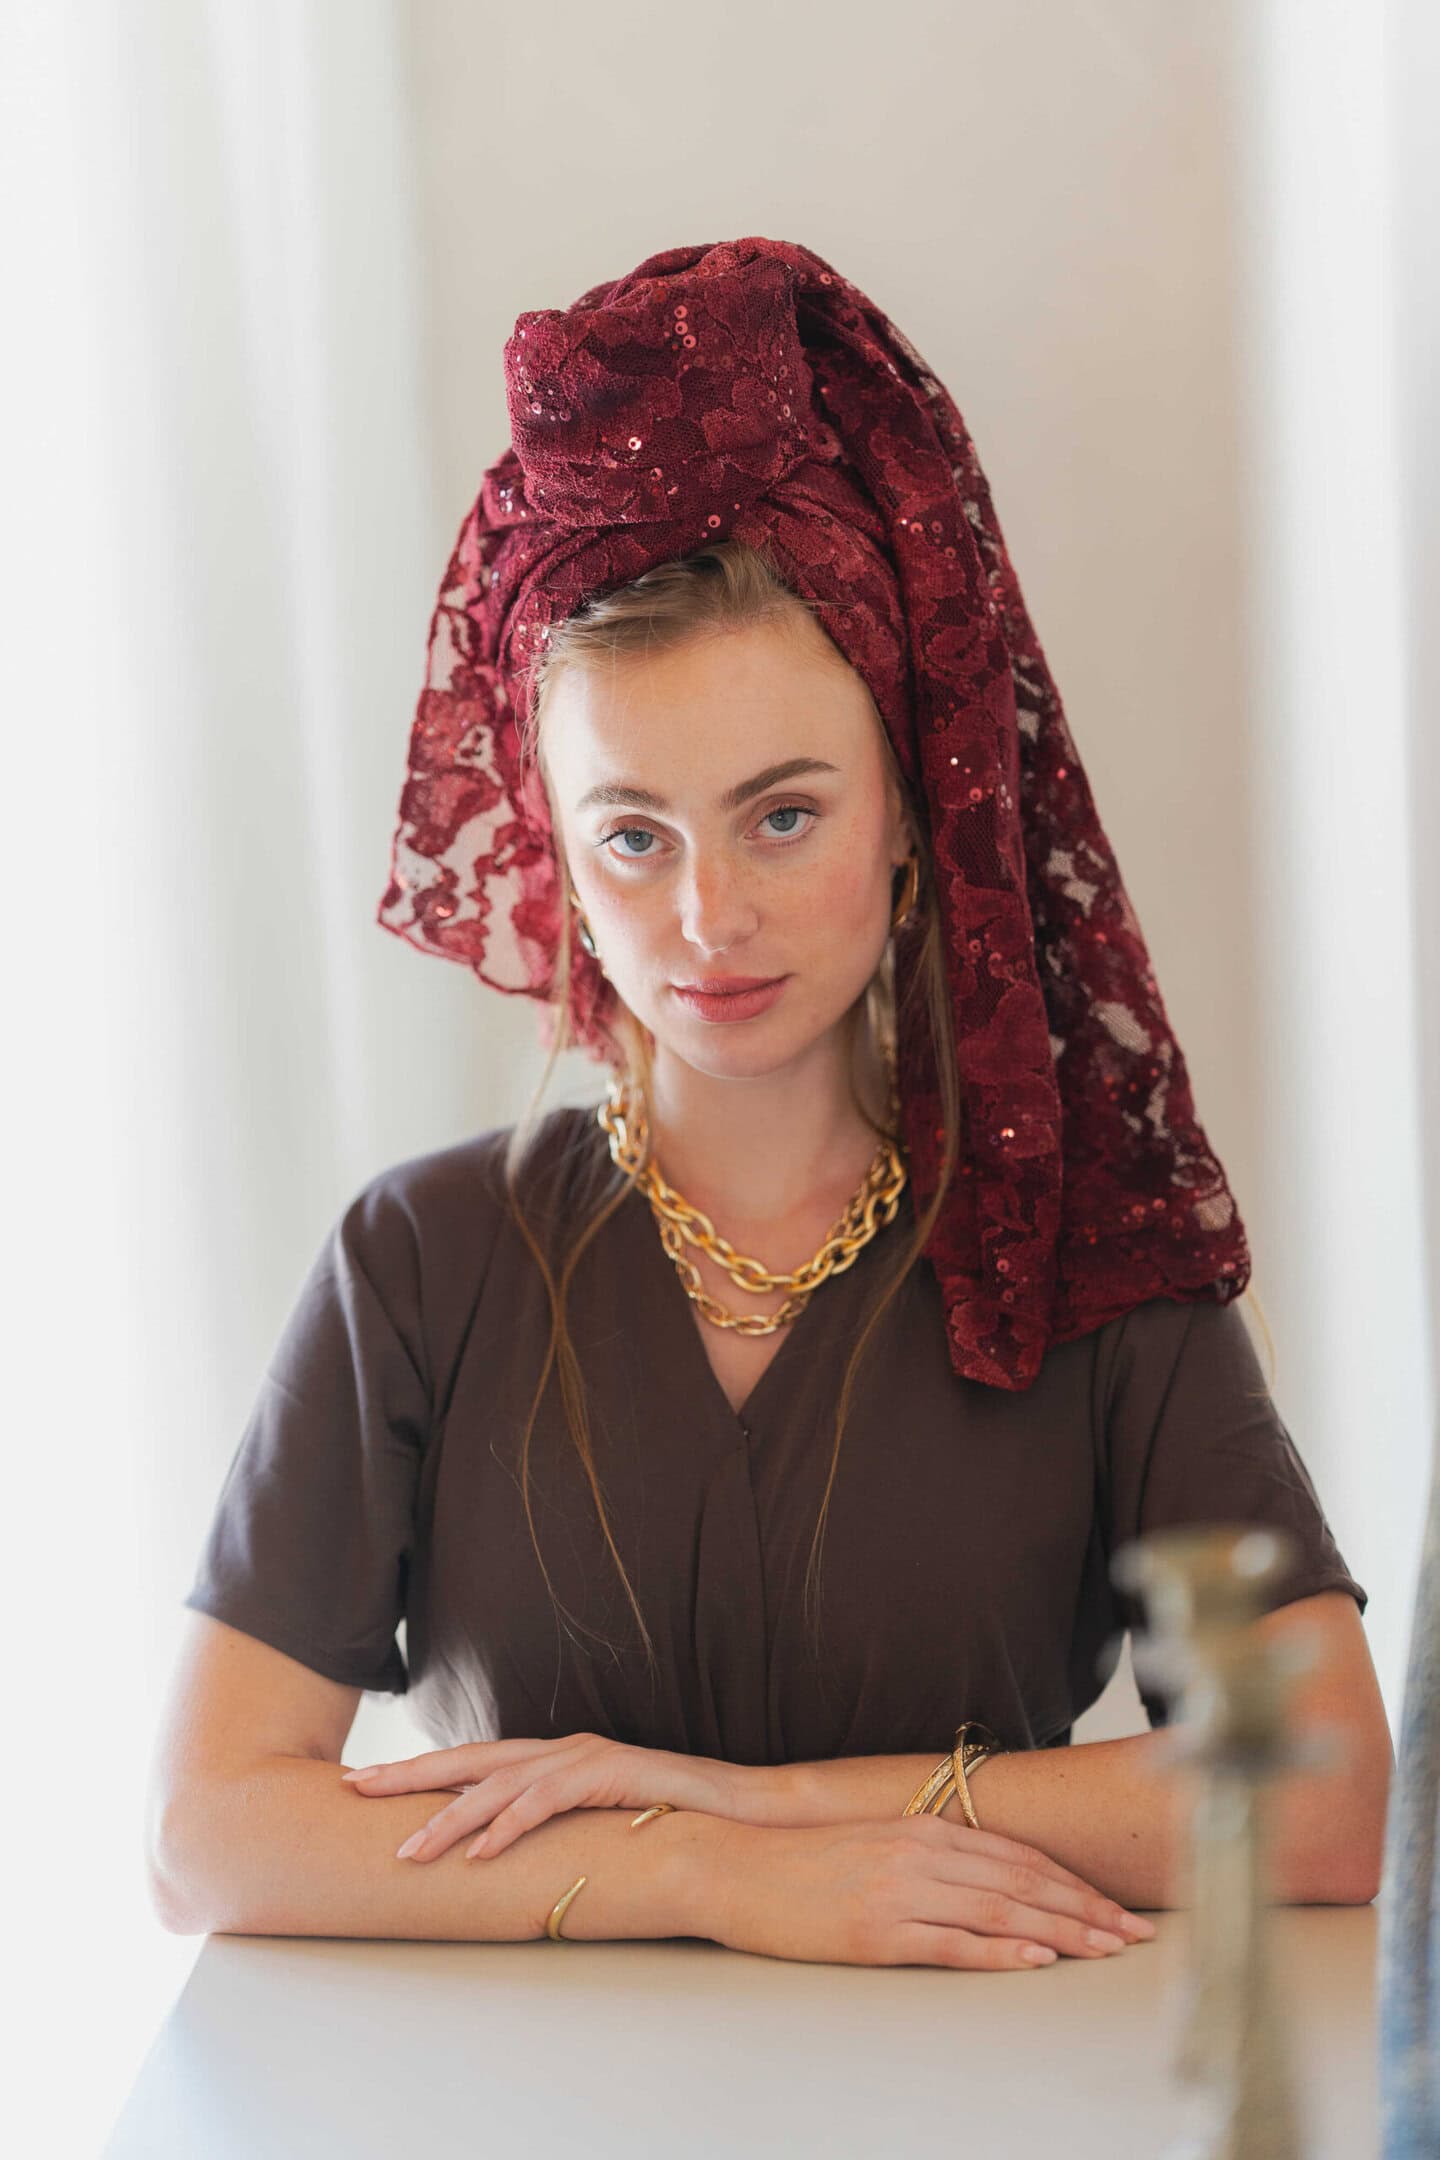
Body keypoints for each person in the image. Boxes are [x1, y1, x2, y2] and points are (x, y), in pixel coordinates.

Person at [147, 237, 1387, 1972]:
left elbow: (1322, 1796)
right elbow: (205, 1832)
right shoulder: (421, 1262)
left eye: (783, 815)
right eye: (633, 836)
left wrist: (776, 1805)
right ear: (559, 859)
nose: (709, 916)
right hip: (514, 2103)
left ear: (914, 819)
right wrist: (705, 1877)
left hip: (990, 2085)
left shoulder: (1092, 1249)